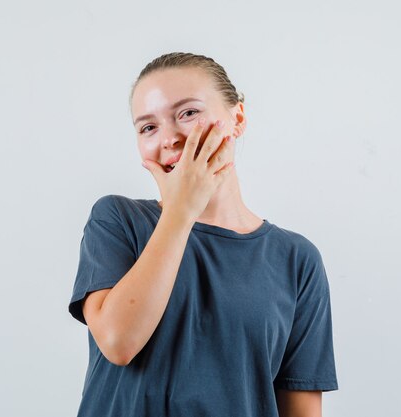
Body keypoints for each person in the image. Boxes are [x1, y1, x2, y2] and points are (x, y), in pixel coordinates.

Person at [68, 52, 339, 417]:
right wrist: (181, 210)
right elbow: (118, 342)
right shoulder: (117, 219)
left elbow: (300, 407)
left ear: (237, 117)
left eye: (188, 113)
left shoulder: (295, 259)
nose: (170, 139)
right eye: (148, 127)